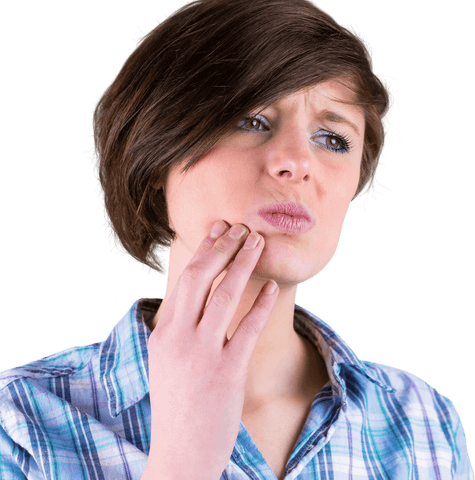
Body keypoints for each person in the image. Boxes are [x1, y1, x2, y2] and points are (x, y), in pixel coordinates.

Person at [0, 0, 472, 479]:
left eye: (333, 139)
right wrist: (183, 461)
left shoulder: (423, 424)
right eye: (251, 121)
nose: (298, 162)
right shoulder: (18, 424)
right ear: (156, 155)